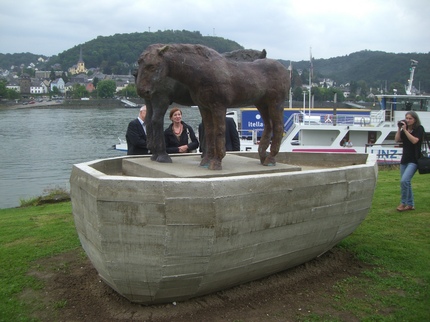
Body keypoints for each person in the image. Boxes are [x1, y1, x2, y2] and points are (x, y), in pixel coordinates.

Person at [394, 111, 424, 212]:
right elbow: (397, 140)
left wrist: (406, 130)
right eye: (406, 118)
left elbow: (415, 141)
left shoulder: (419, 129)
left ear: (415, 119)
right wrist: (399, 128)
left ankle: (403, 203)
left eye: (410, 118)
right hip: (404, 159)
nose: (408, 120)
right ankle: (410, 205)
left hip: (414, 160)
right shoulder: (404, 130)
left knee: (404, 181)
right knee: (407, 182)